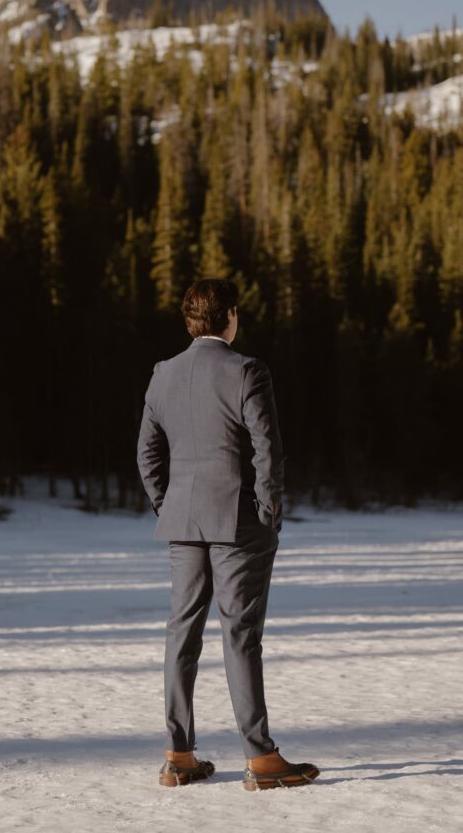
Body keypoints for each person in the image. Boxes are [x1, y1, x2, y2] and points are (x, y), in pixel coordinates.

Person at [136, 278, 320, 791]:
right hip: (239, 522)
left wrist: (166, 503)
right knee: (240, 635)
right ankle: (260, 759)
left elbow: (147, 453)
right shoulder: (246, 370)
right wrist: (268, 512)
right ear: (230, 316)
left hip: (184, 522)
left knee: (182, 634)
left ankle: (179, 754)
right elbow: (268, 449)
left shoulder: (163, 374)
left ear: (189, 321)